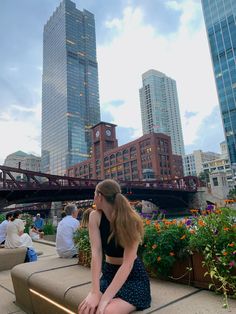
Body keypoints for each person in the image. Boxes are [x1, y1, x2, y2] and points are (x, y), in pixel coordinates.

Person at [78, 179, 151, 314]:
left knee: (106, 311)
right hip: (109, 274)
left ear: (99, 196)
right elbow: (96, 253)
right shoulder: (95, 217)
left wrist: (105, 298)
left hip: (133, 277)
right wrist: (95, 291)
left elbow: (127, 264)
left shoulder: (131, 220)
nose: (93, 197)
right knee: (87, 308)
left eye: (94, 194)